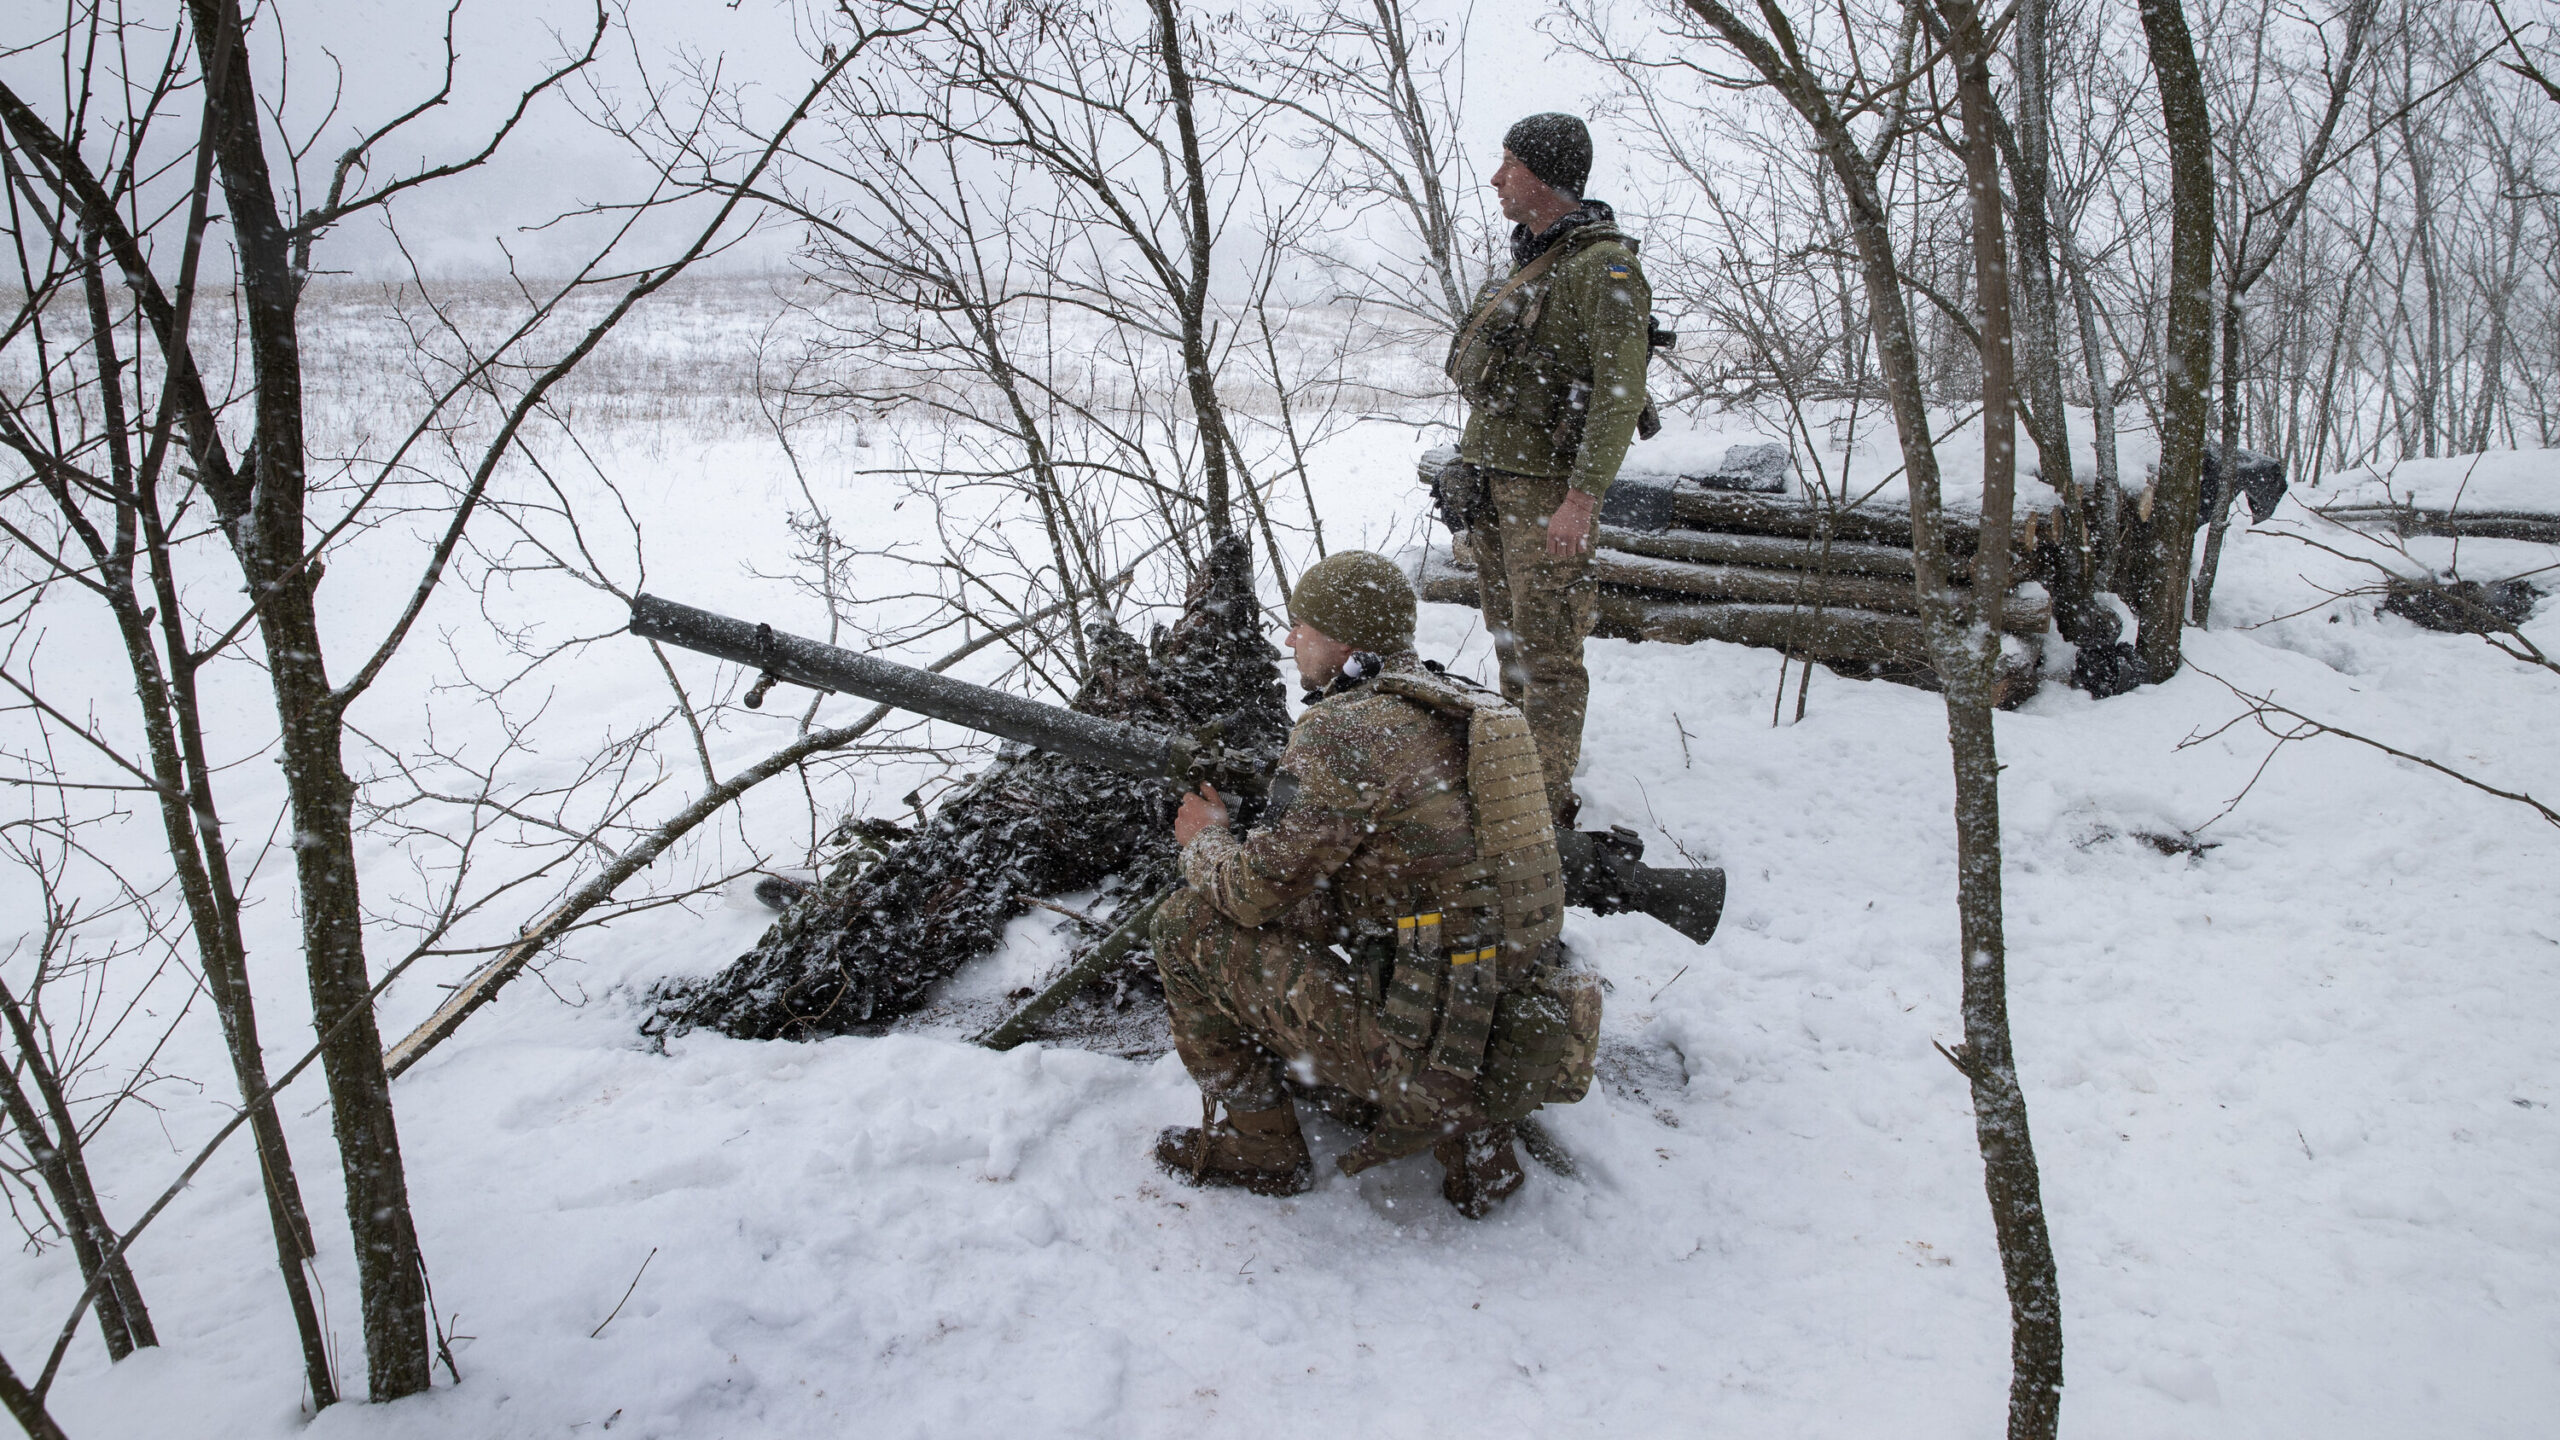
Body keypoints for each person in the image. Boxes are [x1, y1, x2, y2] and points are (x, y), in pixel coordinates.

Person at [1149, 551, 1591, 1218]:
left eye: (1302, 626)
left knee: (1184, 923)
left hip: (1431, 1049)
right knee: (1414, 920)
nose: (1290, 639)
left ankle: (1262, 1147)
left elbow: (1248, 892)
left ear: (1344, 640)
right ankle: (1477, 1139)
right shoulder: (1480, 708)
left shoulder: (1342, 727)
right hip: (1507, 1027)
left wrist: (1206, 838)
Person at [1444, 112, 1653, 824]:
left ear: (1545, 175)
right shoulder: (1535, 261)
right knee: (1510, 648)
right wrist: (1468, 467)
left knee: (1550, 658)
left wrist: (1582, 499)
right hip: (1497, 486)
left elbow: (1620, 393)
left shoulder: (1605, 267)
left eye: (1510, 165)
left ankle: (1538, 812)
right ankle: (1513, 781)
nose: (1497, 178)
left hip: (1548, 497)